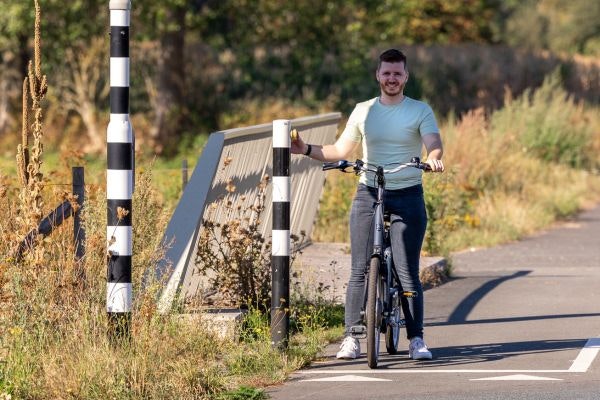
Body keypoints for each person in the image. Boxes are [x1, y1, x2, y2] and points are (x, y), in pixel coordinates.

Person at [291, 49, 444, 360]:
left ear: (406, 77)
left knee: (407, 271)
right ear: (378, 75)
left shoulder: (419, 110)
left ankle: (416, 339)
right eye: (386, 73)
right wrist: (305, 148)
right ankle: (351, 337)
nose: (391, 79)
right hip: (369, 193)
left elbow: (434, 143)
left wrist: (432, 159)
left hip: (408, 193)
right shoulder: (363, 110)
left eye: (397, 74)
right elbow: (339, 149)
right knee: (359, 270)